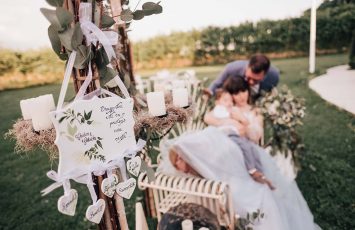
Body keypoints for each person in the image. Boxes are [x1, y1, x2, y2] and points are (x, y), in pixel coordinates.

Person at [158, 127, 320, 230]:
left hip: (237, 186)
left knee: (259, 200)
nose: (178, 165)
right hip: (221, 198)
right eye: (176, 162)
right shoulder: (192, 173)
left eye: (179, 159)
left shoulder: (214, 159)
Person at [211, 88, 274, 189]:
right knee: (245, 147)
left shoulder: (234, 110)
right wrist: (231, 113)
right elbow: (218, 116)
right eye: (226, 100)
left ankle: (260, 172)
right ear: (217, 102)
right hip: (228, 135)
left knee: (252, 149)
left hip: (237, 135)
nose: (229, 103)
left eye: (230, 101)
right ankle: (252, 170)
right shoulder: (219, 109)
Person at [205, 54, 280, 100]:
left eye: (256, 80)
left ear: (265, 74)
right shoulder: (232, 69)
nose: (251, 82)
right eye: (249, 77)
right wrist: (209, 93)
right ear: (247, 67)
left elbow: (268, 95)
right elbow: (217, 84)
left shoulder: (273, 76)